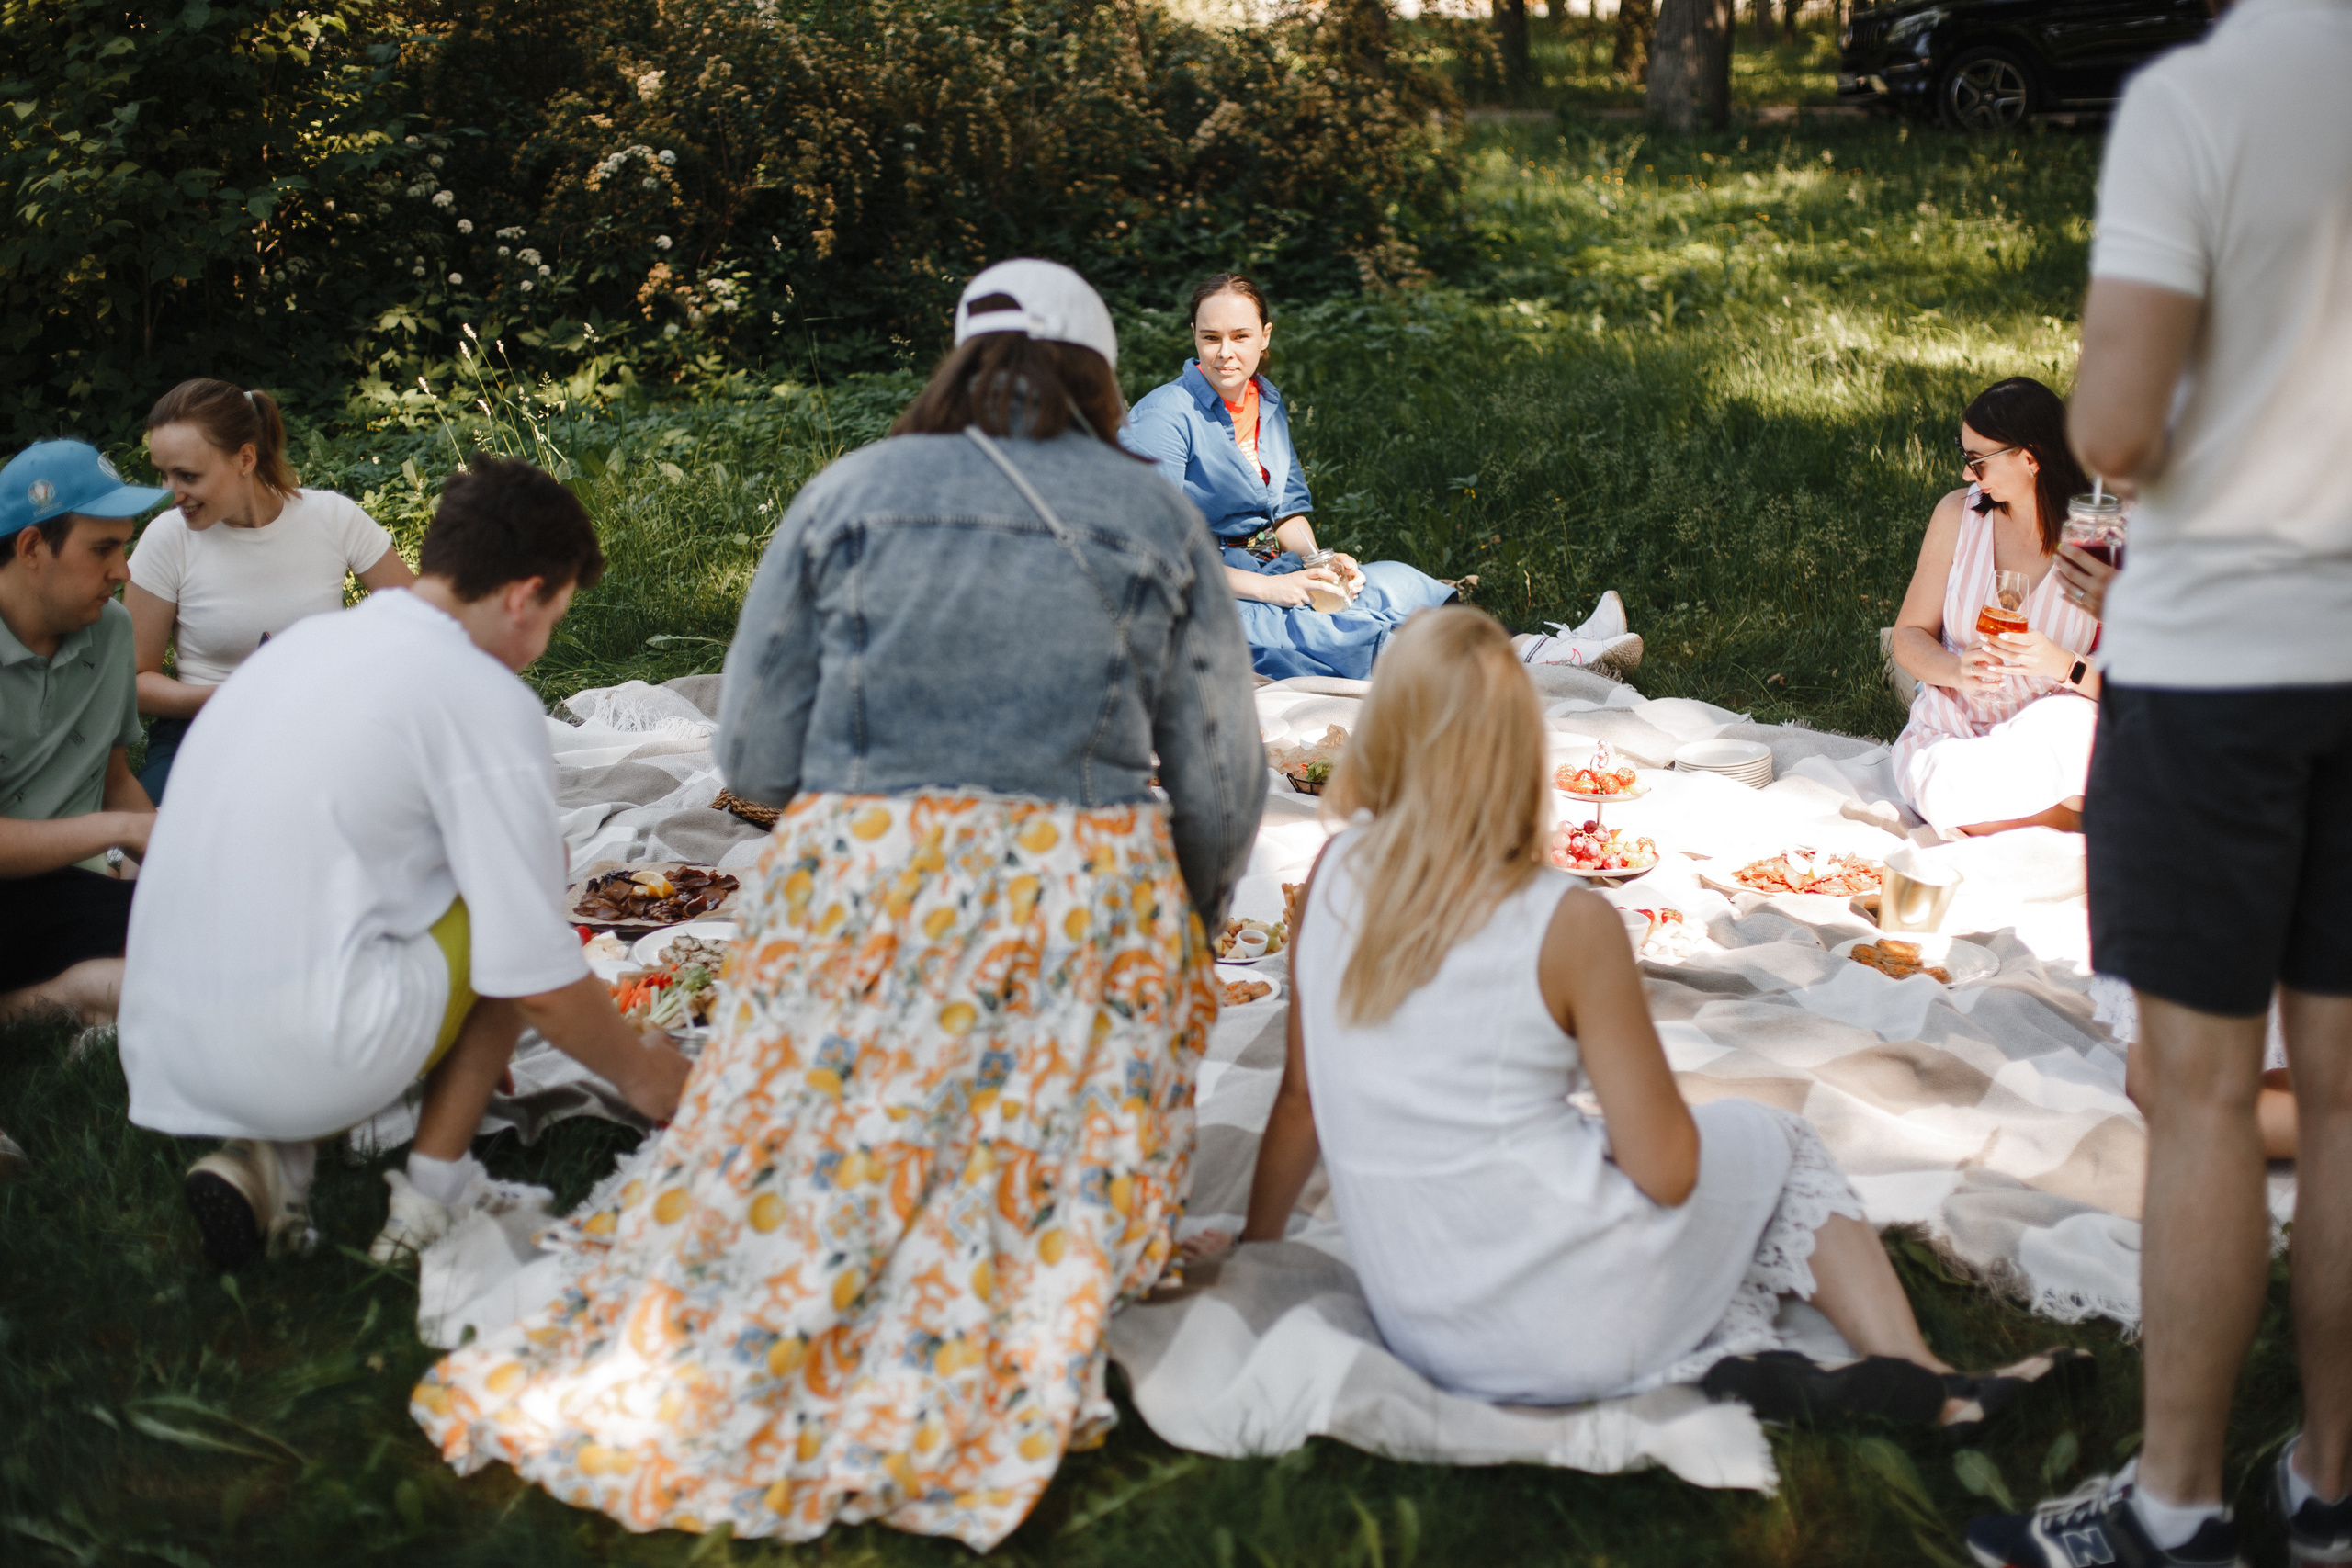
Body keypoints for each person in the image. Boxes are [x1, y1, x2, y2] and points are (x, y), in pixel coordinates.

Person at [409, 259, 1265, 1551]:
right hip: (1077, 887)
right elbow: (1221, 774)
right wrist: (1184, 919)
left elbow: (750, 755)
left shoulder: (849, 489)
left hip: (862, 879)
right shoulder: (1157, 514)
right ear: (1097, 372)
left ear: (955, 359)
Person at [1233, 605, 2070, 1426]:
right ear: (1521, 747)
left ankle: (1773, 1365)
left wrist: (1254, 1253)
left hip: (1426, 1324)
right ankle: (1922, 1383)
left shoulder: (1335, 873)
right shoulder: (1564, 919)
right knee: (1775, 1140)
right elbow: (1666, 1169)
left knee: (1587, 1144)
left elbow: (1303, 1099)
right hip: (1563, 1327)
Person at [1964, 0, 2352, 1561]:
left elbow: (2112, 423)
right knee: (2344, 1104)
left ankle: (2177, 1513)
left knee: (2196, 1103)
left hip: (2220, 670)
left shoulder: (2206, 101)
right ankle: (2332, 1489)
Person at [117, 456, 691, 1270]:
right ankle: (435, 1191)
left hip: (168, 1040)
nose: (541, 646)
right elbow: (536, 974)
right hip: (319, 1049)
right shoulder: (483, 695)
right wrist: (651, 1081)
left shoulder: (305, 648)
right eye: (555, 617)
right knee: (526, 888)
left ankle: (275, 1163)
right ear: (525, 593)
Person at [1122, 273, 1457, 680]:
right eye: (1211, 338)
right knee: (1317, 630)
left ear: (1264, 337)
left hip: (1270, 565)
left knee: (1397, 582)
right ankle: (1435, 671)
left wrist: (1321, 562)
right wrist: (1270, 590)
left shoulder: (1266, 401)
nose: (1225, 353)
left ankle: (1525, 649)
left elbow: (1286, 513)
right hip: (1206, 586)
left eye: (1240, 336)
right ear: (1194, 335)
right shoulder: (1164, 417)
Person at [0, 440, 166, 1172]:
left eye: (123, 549)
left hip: (63, 887)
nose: (122, 572)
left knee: (193, 962)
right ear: (32, 546)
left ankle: (40, 1003)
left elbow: (114, 774)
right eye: (102, 549)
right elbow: (117, 814)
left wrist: (166, 851)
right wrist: (124, 830)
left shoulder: (114, 630)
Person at [128, 379, 414, 801]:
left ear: (245, 457)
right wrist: (232, 697)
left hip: (326, 726)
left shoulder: (331, 518)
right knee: (159, 848)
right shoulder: (167, 539)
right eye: (164, 475)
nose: (173, 493)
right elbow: (133, 681)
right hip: (203, 732)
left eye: (187, 475)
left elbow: (424, 623)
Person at [1888, 378, 2104, 839]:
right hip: (1956, 723)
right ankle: (2069, 820)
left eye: (1977, 461)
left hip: (2053, 716)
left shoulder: (2102, 537)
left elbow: (2147, 686)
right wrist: (1955, 669)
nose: (1968, 474)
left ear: (2030, 458)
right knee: (1943, 782)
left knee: (2069, 736)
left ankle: (2036, 815)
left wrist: (2062, 664)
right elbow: (1907, 636)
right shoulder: (1957, 516)